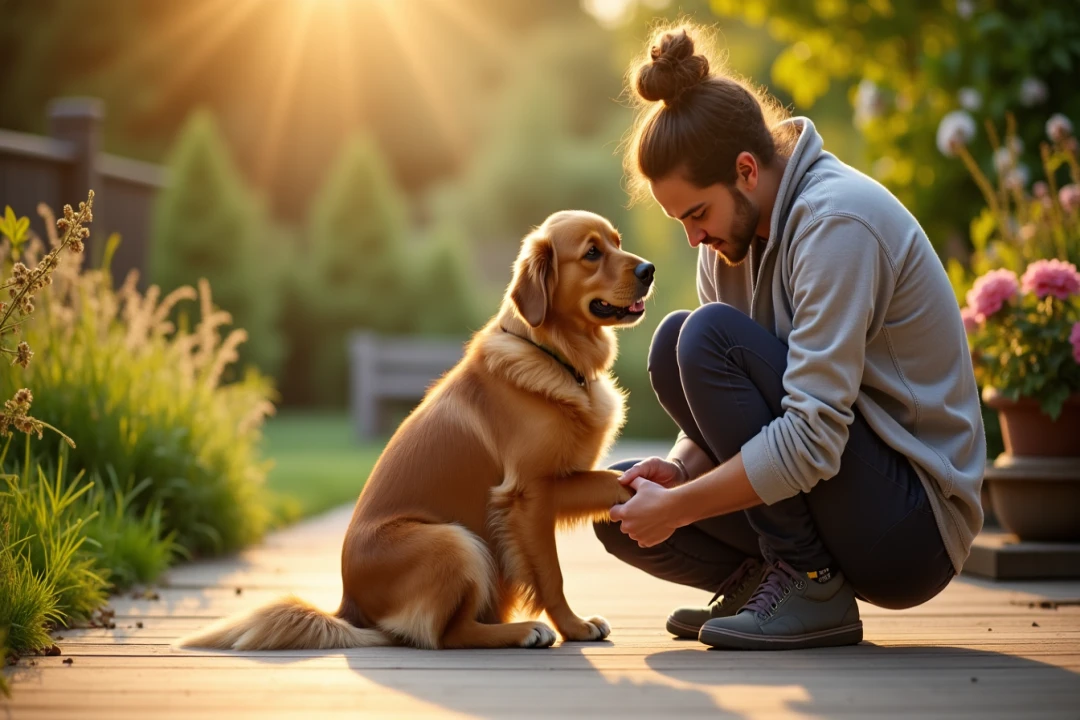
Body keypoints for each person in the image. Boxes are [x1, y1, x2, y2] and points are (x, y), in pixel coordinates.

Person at [595, 24, 986, 651]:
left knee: (704, 339)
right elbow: (726, 410)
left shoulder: (838, 223)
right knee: (622, 493)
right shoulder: (726, 243)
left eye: (696, 214)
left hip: (913, 527)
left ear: (746, 170)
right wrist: (677, 473)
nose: (692, 238)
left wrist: (682, 508)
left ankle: (807, 579)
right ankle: (773, 582)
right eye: (681, 221)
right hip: (841, 495)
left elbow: (813, 437)